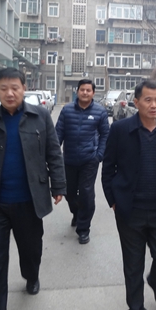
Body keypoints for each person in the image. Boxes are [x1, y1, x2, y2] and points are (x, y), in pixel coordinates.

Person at [0, 68, 66, 310]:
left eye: (15, 88)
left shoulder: (41, 117)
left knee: (31, 251)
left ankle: (31, 276)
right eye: (4, 88)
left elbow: (53, 153)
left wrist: (59, 185)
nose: (9, 93)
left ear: (24, 88)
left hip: (29, 201)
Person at [102, 79, 156, 310]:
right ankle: (136, 309)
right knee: (133, 264)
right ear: (136, 102)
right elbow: (108, 167)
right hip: (130, 211)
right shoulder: (120, 130)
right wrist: (113, 200)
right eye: (148, 100)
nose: (154, 105)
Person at [55, 78, 109, 244]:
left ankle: (84, 228)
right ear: (77, 91)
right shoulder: (67, 110)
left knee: (86, 193)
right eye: (82, 90)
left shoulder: (100, 112)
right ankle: (76, 213)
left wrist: (99, 155)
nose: (85, 92)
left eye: (88, 90)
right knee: (69, 192)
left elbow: (105, 135)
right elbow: (58, 134)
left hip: (89, 160)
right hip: (69, 159)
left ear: (93, 93)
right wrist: (55, 156)